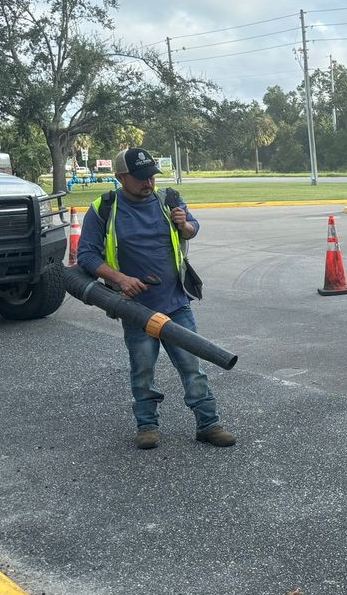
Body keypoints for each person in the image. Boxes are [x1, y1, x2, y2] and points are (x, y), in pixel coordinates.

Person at [78, 148, 236, 450]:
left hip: (175, 302)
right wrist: (119, 279)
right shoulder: (104, 208)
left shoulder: (169, 201)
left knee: (193, 368)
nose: (148, 183)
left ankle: (209, 423)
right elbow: (86, 254)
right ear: (121, 177)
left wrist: (184, 225)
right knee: (143, 369)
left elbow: (192, 230)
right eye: (139, 178)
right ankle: (147, 426)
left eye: (151, 176)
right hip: (136, 309)